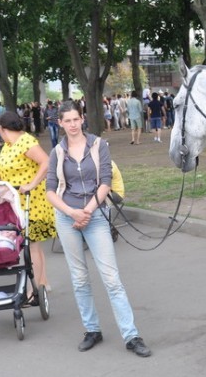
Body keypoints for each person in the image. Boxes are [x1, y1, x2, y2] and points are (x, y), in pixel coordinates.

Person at [45, 100, 151, 356]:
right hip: (67, 218)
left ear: (82, 119)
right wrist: (72, 212)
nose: (72, 125)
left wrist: (88, 211)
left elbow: (105, 181)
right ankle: (92, 329)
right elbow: (50, 190)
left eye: (75, 119)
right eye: (66, 121)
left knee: (112, 279)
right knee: (80, 278)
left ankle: (131, 335)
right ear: (60, 123)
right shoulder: (57, 152)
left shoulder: (99, 145)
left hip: (96, 216)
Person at [0, 111, 55, 295]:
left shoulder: (26, 142)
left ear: (1, 128)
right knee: (32, 245)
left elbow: (46, 162)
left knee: (31, 245)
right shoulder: (7, 146)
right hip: (14, 204)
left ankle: (34, 290)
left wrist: (32, 183)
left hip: (32, 202)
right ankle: (42, 281)